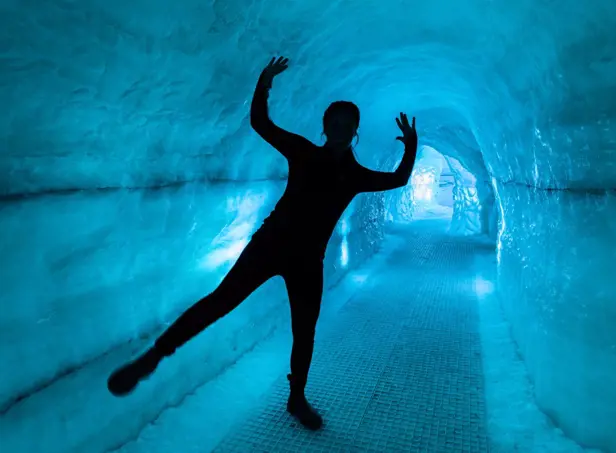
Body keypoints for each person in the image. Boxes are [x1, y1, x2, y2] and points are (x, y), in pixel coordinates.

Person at [107, 56, 418, 431]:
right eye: (333, 123)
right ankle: (153, 357)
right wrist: (265, 81)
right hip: (271, 245)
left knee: (305, 333)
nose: (338, 129)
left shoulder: (355, 175)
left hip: (306, 261)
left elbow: (399, 179)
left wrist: (411, 146)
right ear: (325, 126)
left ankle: (297, 397)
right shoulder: (303, 152)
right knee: (220, 301)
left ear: (354, 131)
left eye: (345, 125)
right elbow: (260, 123)